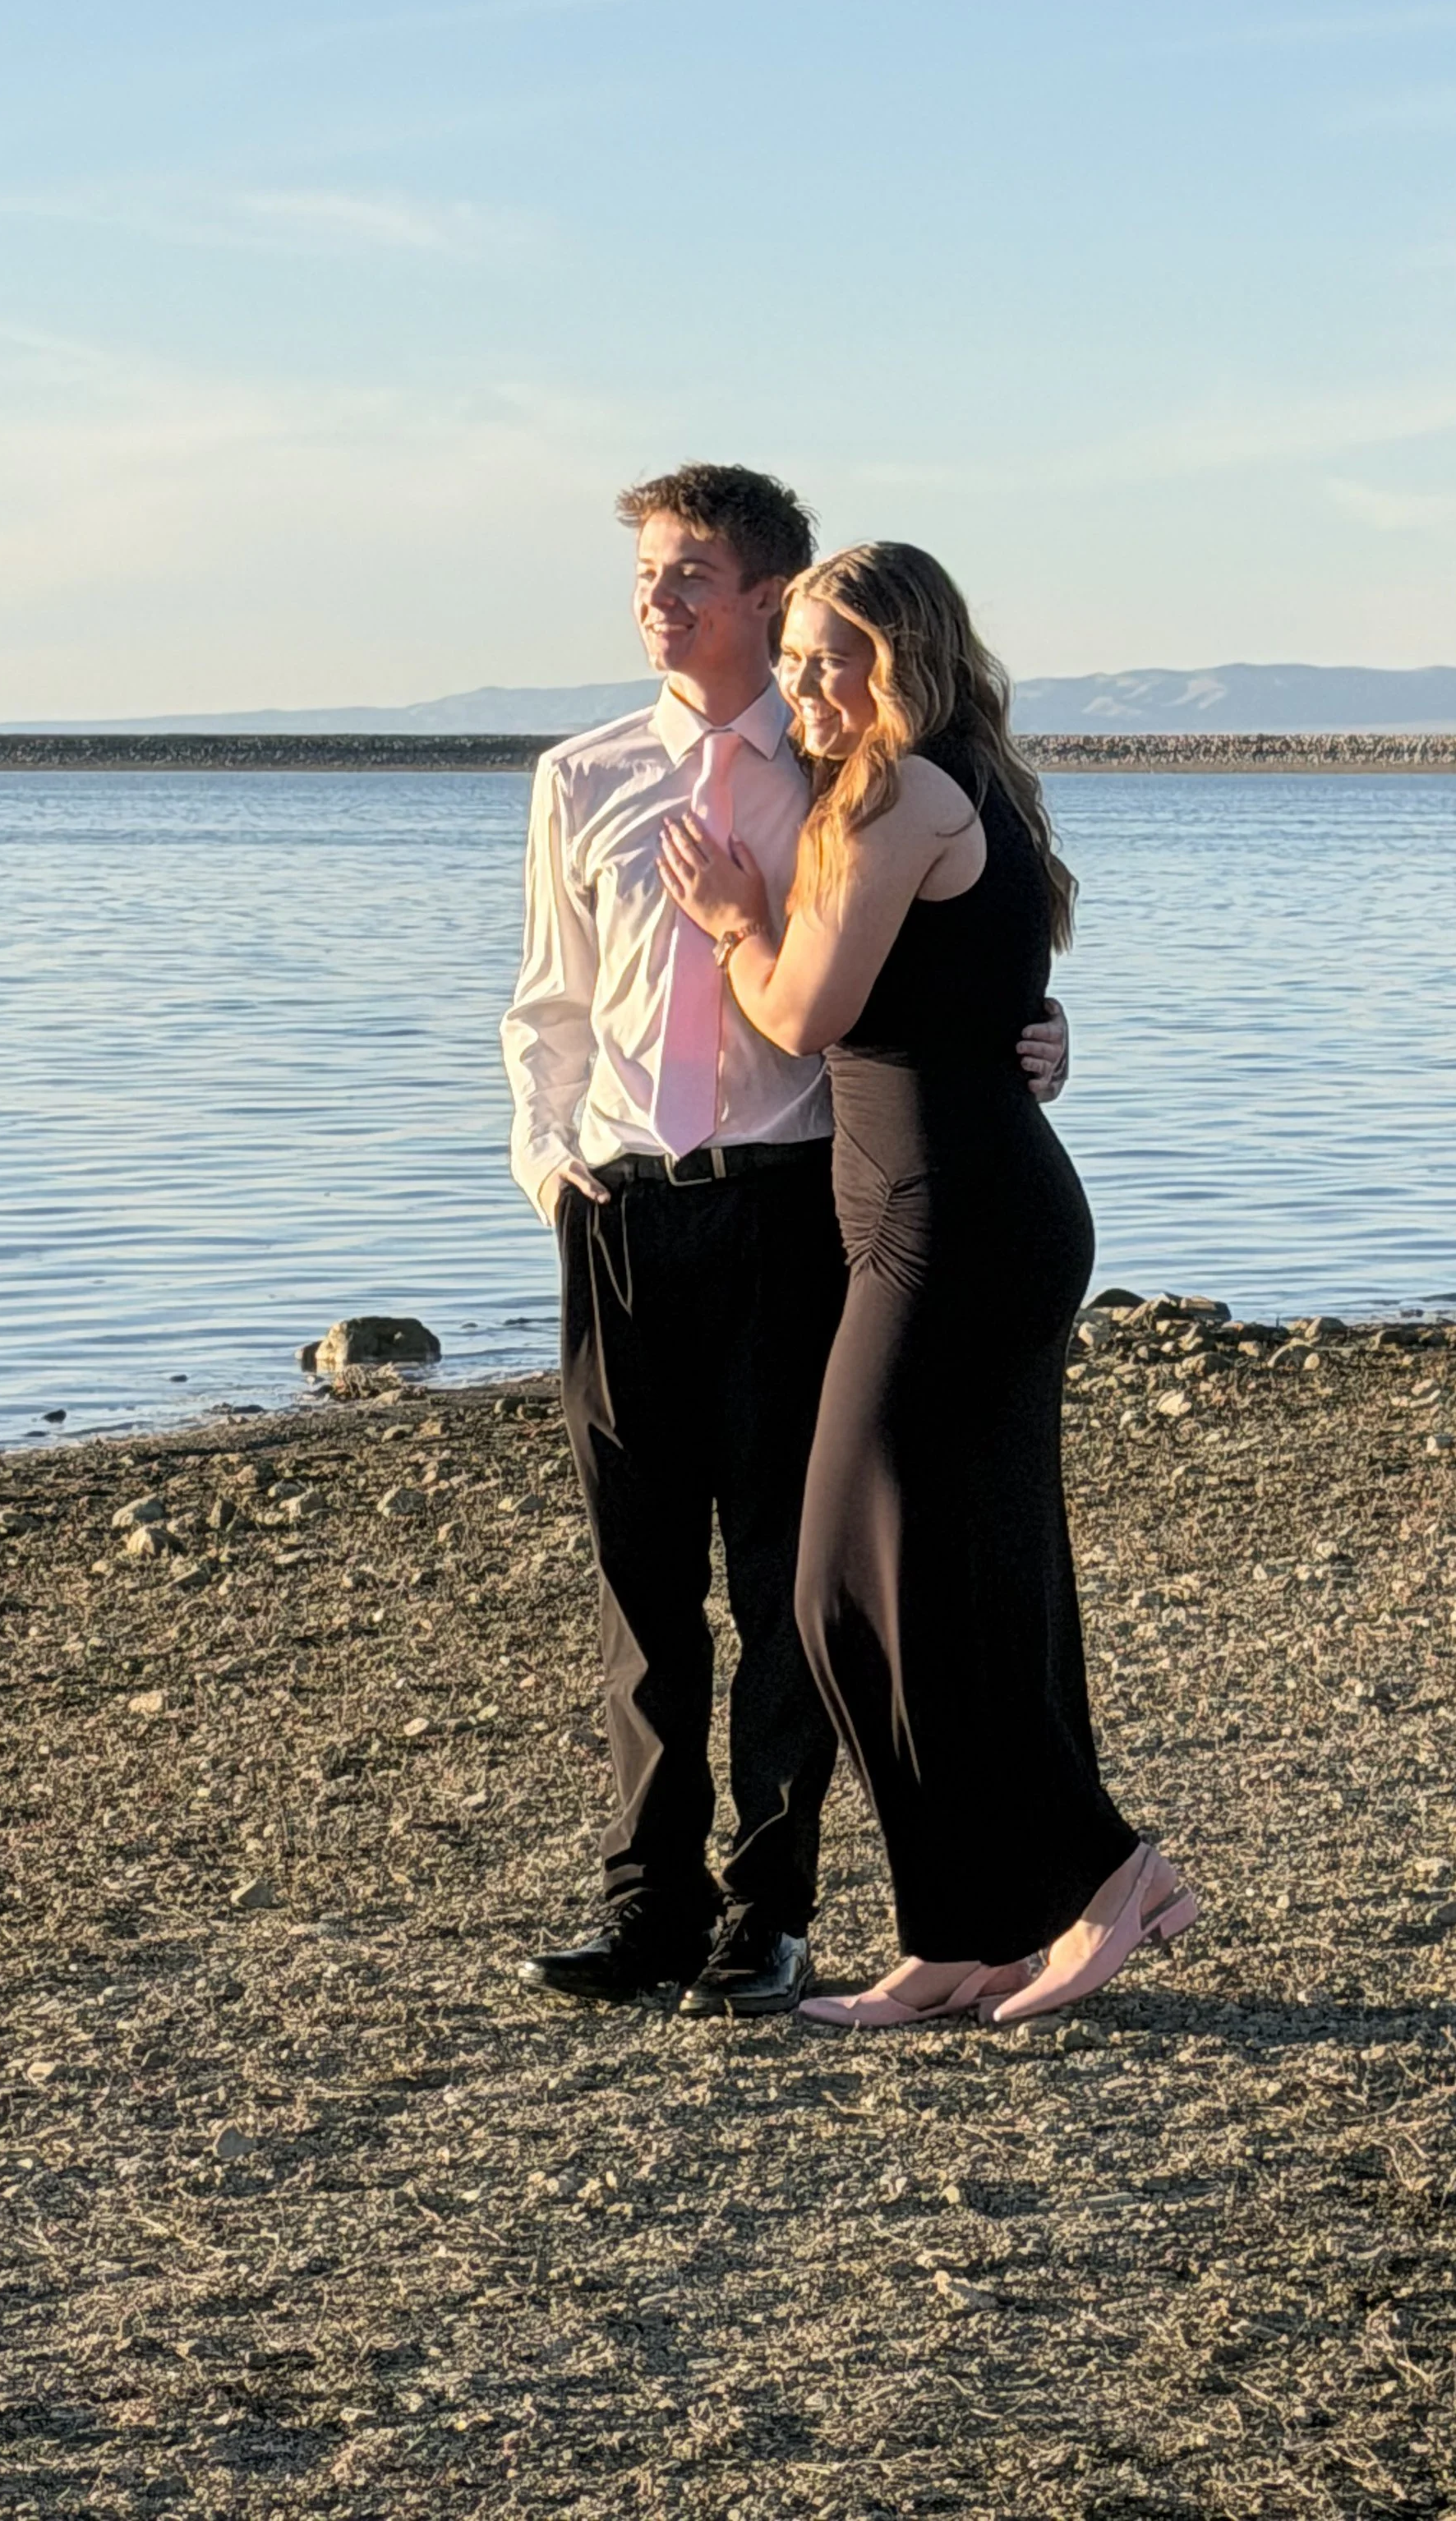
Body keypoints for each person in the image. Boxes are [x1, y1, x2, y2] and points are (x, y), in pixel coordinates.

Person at [501, 468, 1069, 2018]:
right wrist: (554, 1168)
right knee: (636, 1585)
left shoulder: (847, 771)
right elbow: (548, 1006)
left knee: (778, 1580)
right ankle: (645, 1911)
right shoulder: (580, 775)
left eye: (691, 574)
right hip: (618, 1211)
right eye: (646, 575)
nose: (657, 600)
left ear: (771, 594)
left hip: (796, 1208)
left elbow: (954, 936)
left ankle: (768, 1916)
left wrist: (1031, 1028)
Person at [658, 541, 1196, 2029]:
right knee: (930, 1577)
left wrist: (731, 916)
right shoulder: (946, 785)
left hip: (958, 1226)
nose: (810, 686)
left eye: (838, 659)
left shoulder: (900, 792)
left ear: (905, 660)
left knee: (854, 1581)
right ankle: (959, 1935)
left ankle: (1110, 1872)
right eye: (802, 659)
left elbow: (804, 1011)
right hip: (948, 1214)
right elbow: (981, 995)